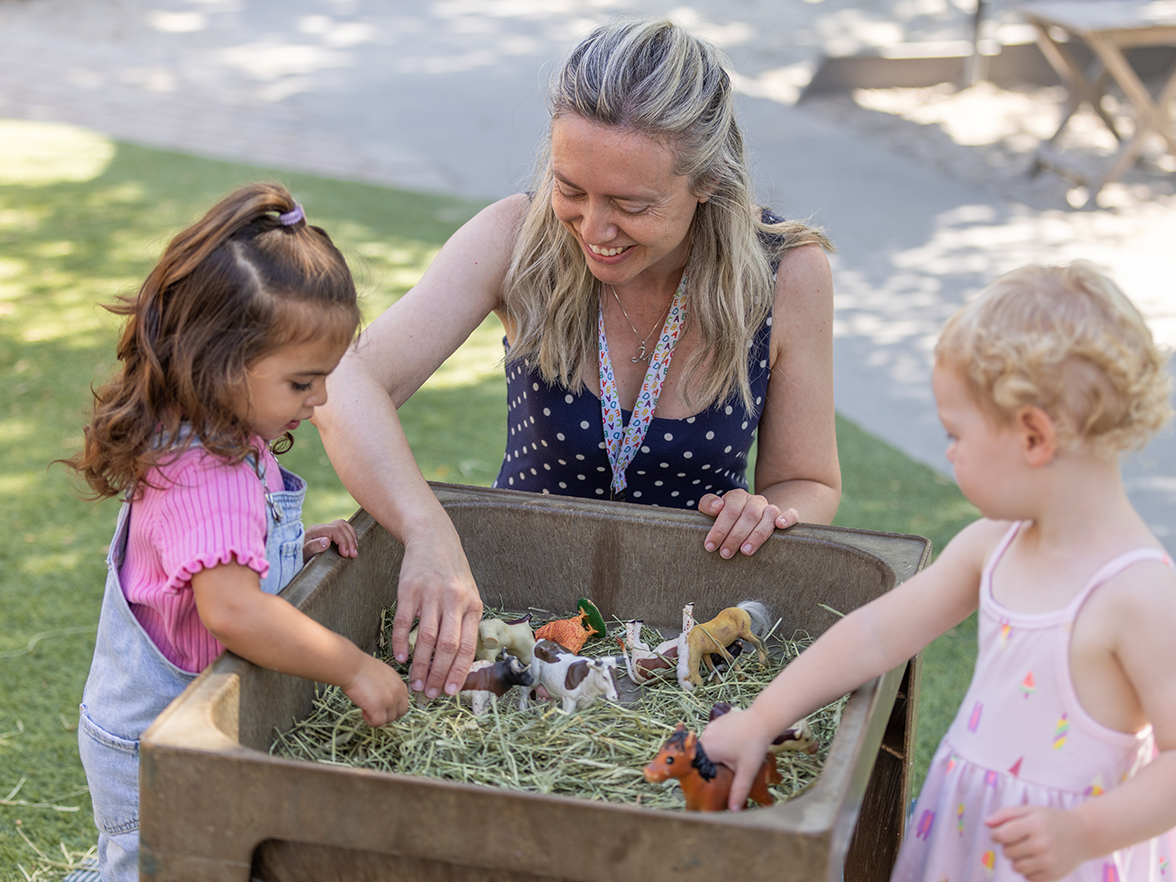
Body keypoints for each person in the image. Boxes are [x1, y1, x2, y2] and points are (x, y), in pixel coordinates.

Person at [315, 17, 841, 703]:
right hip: (518, 629)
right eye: (572, 189)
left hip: (679, 646)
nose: (595, 230)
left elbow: (808, 482)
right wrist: (427, 531)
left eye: (630, 204)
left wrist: (768, 512)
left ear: (707, 181)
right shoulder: (515, 235)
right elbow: (344, 380)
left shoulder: (787, 274)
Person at [700, 262, 1176, 881]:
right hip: (968, 838)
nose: (948, 452)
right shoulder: (994, 546)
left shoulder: (1139, 595)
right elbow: (876, 634)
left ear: (1033, 437)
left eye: (957, 434)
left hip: (1063, 860)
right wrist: (762, 718)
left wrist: (1087, 831)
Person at [64, 183, 409, 882]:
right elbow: (232, 611)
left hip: (185, 732)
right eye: (303, 383)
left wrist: (290, 545)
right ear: (222, 363)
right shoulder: (206, 472)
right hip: (154, 747)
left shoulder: (215, 432)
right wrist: (354, 665)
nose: (318, 403)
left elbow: (206, 575)